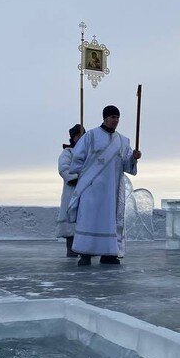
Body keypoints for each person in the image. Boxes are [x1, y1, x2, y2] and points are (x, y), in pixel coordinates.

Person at [68, 105, 141, 266]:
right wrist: (85, 177)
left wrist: (134, 158)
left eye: (117, 117)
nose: (115, 120)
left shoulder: (123, 141)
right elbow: (77, 159)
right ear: (105, 118)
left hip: (112, 189)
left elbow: (127, 165)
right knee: (89, 218)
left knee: (110, 220)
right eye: (112, 117)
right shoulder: (91, 136)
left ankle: (109, 254)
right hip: (92, 187)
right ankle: (85, 253)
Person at [56, 124, 85, 257]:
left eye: (83, 135)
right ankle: (71, 250)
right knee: (71, 223)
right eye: (78, 135)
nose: (80, 138)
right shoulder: (68, 153)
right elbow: (63, 168)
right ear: (73, 138)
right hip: (72, 191)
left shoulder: (89, 154)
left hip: (87, 192)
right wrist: (75, 178)